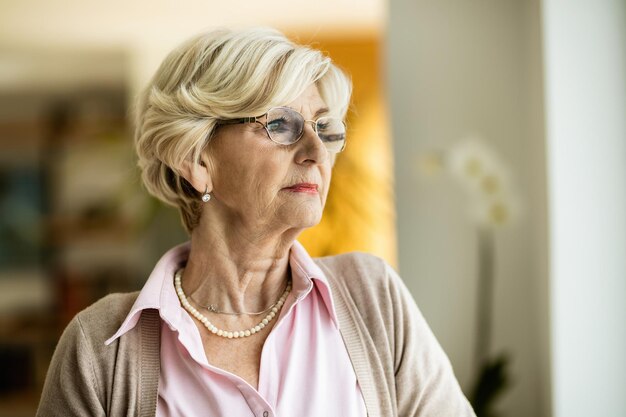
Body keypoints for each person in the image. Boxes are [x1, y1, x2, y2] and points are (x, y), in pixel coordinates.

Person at [37, 27, 475, 417]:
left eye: (325, 129)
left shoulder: (373, 297)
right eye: (281, 125)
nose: (316, 152)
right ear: (196, 159)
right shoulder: (99, 349)